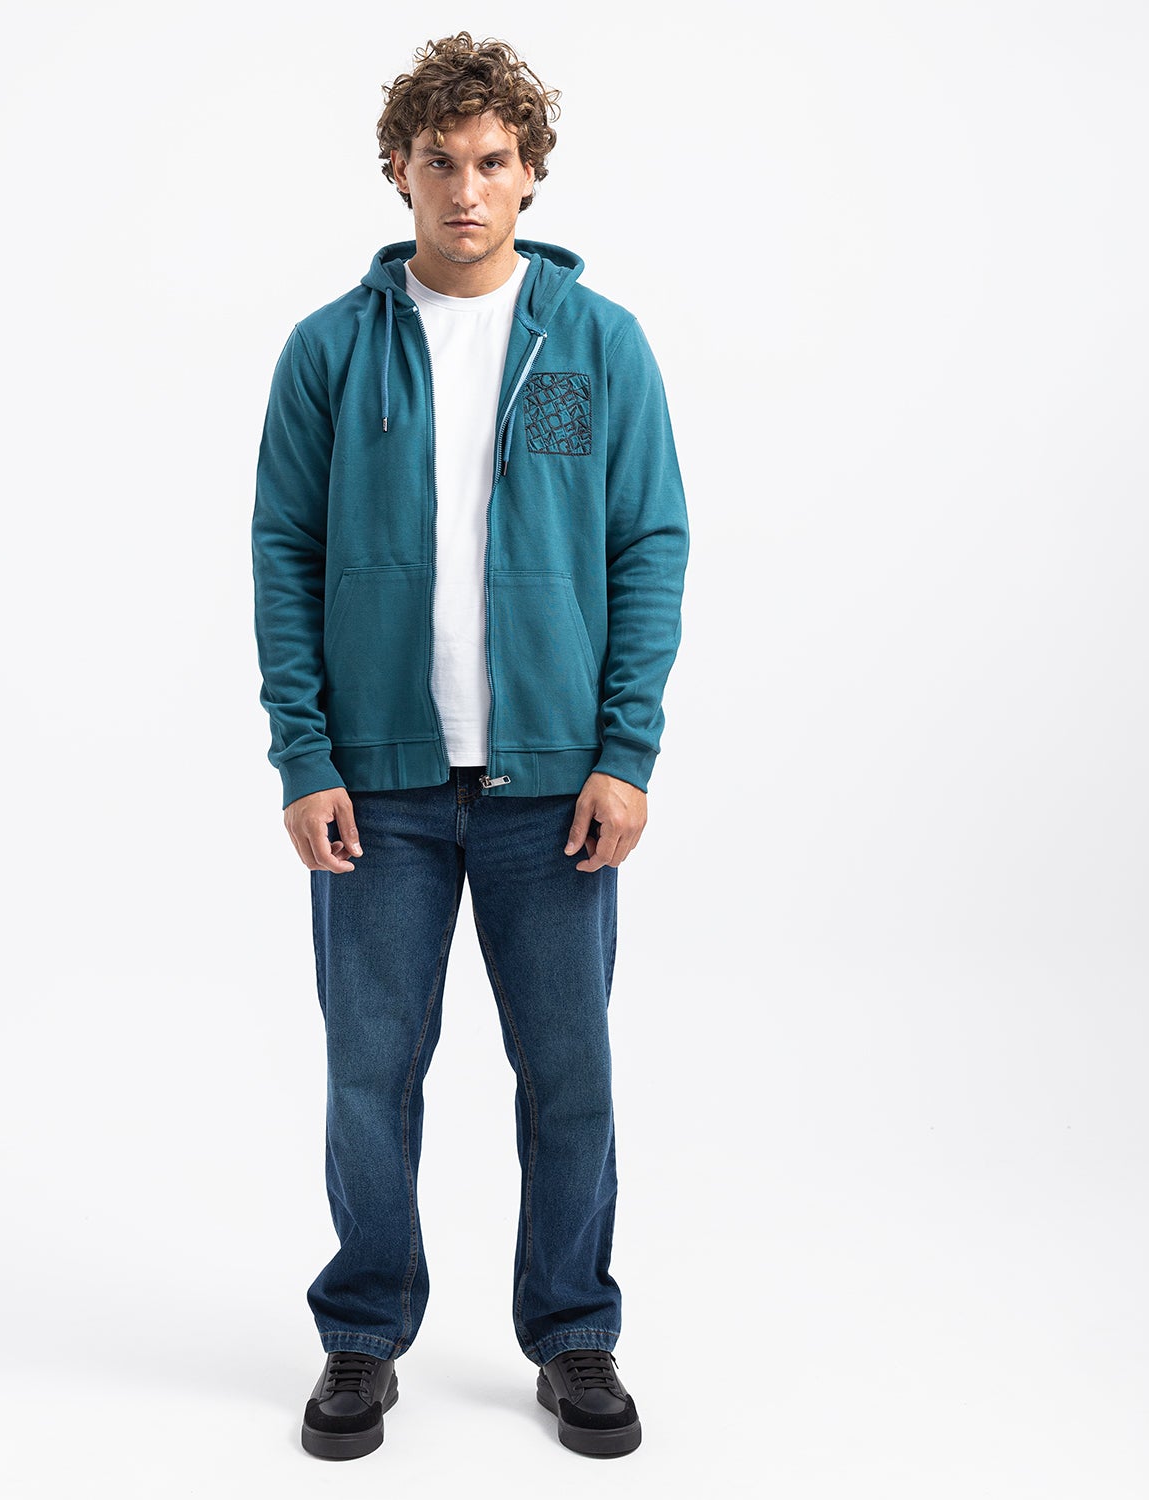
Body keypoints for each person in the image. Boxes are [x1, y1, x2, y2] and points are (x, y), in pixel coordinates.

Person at [250, 31, 689, 1461]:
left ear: (531, 173)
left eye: (492, 161)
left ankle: (574, 1332)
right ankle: (361, 1332)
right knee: (368, 1074)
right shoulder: (329, 351)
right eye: (438, 161)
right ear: (399, 171)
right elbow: (283, 553)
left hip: (551, 787)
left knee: (571, 1077)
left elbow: (649, 544)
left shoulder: (596, 344)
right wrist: (305, 757)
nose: (465, 188)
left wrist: (626, 752)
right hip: (375, 786)